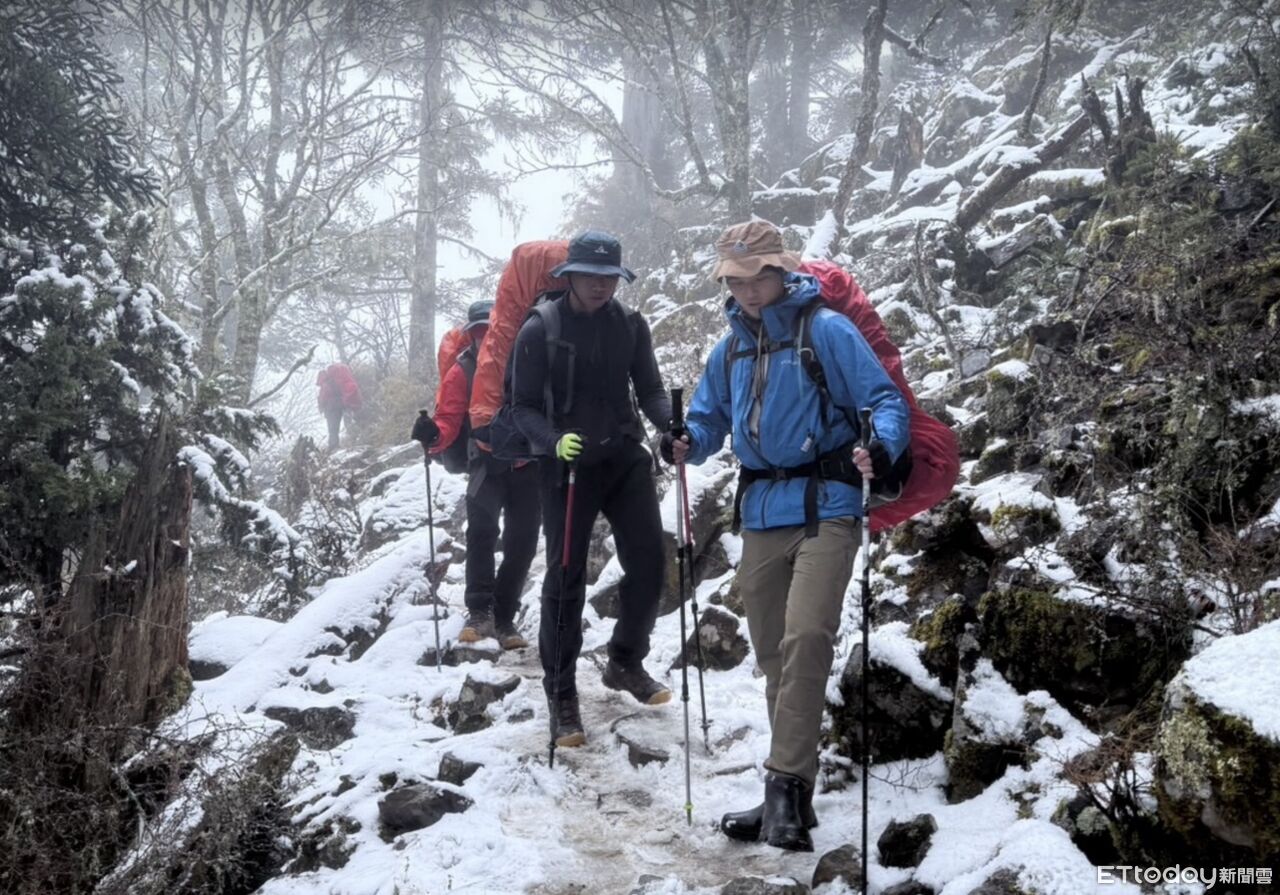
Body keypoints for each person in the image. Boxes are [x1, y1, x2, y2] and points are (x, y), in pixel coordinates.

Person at [663, 220, 910, 851]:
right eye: (735, 280)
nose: (747, 290)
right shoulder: (729, 350)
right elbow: (708, 421)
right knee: (773, 653)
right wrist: (686, 440)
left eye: (757, 276)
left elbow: (883, 400)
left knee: (806, 637)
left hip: (828, 504)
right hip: (761, 512)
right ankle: (792, 794)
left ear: (782, 270)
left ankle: (784, 788)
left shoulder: (826, 330)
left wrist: (882, 446)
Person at [508, 229, 674, 749]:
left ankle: (625, 661)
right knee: (566, 576)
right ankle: (561, 693)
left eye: (610, 277)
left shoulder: (630, 325)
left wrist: (672, 425)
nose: (601, 285)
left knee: (650, 562)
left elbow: (649, 388)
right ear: (570, 276)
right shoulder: (540, 328)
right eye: (591, 275)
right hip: (568, 465)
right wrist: (553, 442)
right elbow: (521, 407)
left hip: (623, 456)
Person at [411, 301, 540, 651]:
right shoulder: (462, 371)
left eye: (492, 330)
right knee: (482, 535)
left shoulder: (530, 360)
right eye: (481, 332)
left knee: (522, 542)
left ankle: (504, 616)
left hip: (528, 464)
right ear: (471, 334)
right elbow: (448, 420)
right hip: (485, 465)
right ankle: (480, 612)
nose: (487, 338)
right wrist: (432, 435)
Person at [316, 362, 362, 450]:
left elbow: (323, 397)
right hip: (345, 404)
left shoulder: (326, 383)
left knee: (333, 430)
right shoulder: (342, 378)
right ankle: (354, 443)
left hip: (331, 407)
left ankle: (334, 447)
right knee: (349, 425)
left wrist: (322, 407)